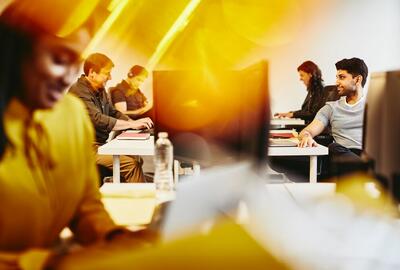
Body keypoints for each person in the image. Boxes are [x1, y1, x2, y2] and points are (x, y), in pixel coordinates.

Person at [0, 1, 130, 268]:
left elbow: (85, 206)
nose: (68, 76)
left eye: (76, 63)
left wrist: (112, 236)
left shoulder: (71, 113)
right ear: (16, 52)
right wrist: (41, 263)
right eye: (60, 60)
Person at [69, 53, 153, 183]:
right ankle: (138, 202)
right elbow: (97, 119)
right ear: (92, 73)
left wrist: (133, 122)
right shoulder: (78, 92)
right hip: (85, 150)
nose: (110, 77)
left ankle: (124, 198)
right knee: (131, 166)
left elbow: (113, 112)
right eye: (107, 73)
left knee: (136, 158)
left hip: (100, 146)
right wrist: (131, 125)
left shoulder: (100, 90)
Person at [298, 57, 368, 174]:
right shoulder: (331, 108)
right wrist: (306, 136)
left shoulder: (374, 105)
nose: (337, 82)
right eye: (337, 77)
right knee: (334, 147)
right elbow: (307, 131)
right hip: (341, 156)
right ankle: (365, 170)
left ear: (357, 79)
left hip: (367, 155)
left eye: (342, 77)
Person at [274, 61, 339, 124]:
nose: (300, 79)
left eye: (302, 75)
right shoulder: (312, 90)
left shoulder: (319, 90)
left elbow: (313, 114)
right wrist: (288, 114)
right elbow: (305, 111)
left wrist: (293, 114)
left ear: (310, 74)